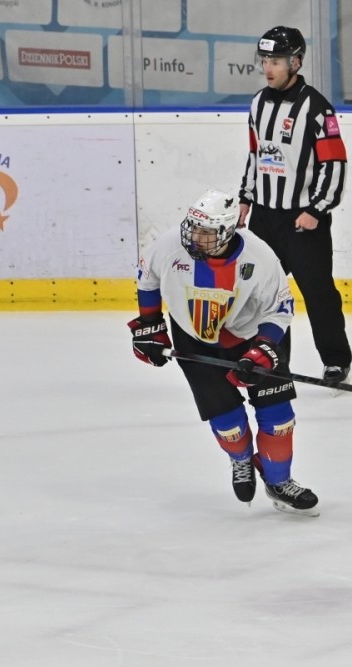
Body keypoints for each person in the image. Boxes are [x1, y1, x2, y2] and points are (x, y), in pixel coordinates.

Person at [127, 188, 318, 516]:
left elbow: (280, 308)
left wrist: (263, 348)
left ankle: (279, 480)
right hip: (193, 338)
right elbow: (148, 279)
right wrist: (150, 326)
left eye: (206, 232)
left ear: (228, 231)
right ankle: (241, 459)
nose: (194, 237)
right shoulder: (168, 246)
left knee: (279, 417)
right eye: (193, 227)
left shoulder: (260, 257)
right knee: (228, 422)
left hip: (255, 338)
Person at [237, 25, 352, 384]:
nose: (268, 68)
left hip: (303, 220)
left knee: (318, 294)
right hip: (264, 217)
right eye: (264, 60)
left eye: (276, 61)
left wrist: (317, 209)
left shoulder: (317, 108)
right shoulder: (258, 103)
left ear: (296, 62)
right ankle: (271, 357)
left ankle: (336, 360)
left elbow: (334, 163)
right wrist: (245, 197)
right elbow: (256, 155)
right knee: (259, 294)